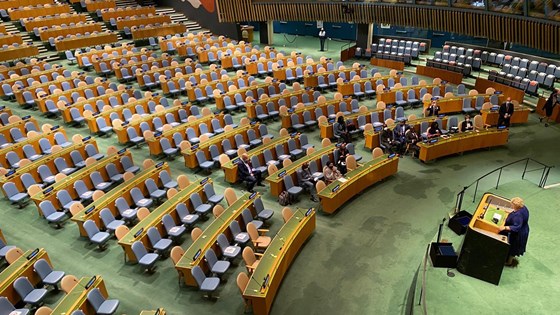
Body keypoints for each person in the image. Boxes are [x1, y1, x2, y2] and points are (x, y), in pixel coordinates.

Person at [499, 197, 530, 266]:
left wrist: (504, 227)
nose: (511, 206)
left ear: (516, 206)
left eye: (512, 205)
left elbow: (516, 227)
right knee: (513, 247)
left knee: (513, 247)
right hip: (524, 230)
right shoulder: (523, 208)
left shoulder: (518, 215)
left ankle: (509, 262)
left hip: (518, 234)